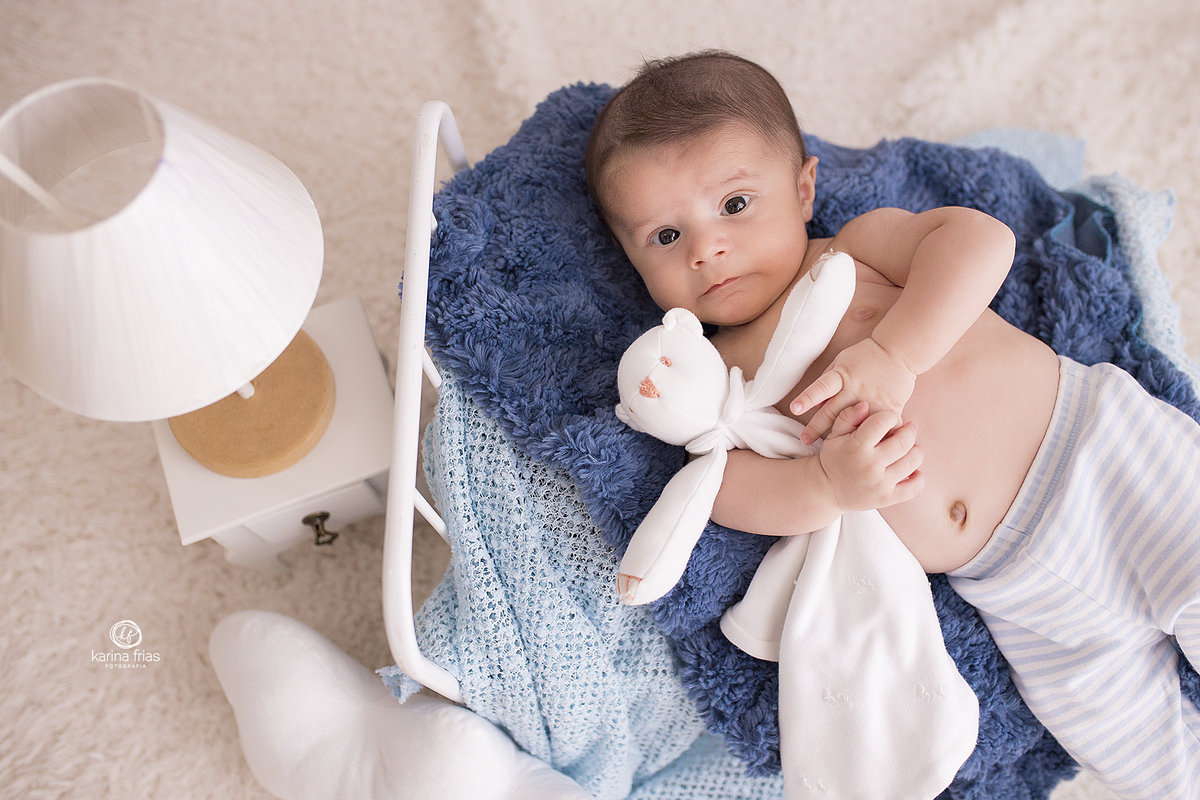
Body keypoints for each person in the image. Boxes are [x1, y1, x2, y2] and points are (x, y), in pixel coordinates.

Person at [585, 50, 1200, 800]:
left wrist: (894, 352)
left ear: (804, 187)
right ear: (628, 259)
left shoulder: (854, 252)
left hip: (1104, 457)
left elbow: (980, 244)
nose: (708, 247)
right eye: (665, 238)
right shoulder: (716, 380)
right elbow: (721, 488)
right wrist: (823, 485)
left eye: (735, 205)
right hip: (1016, 591)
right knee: (1148, 760)